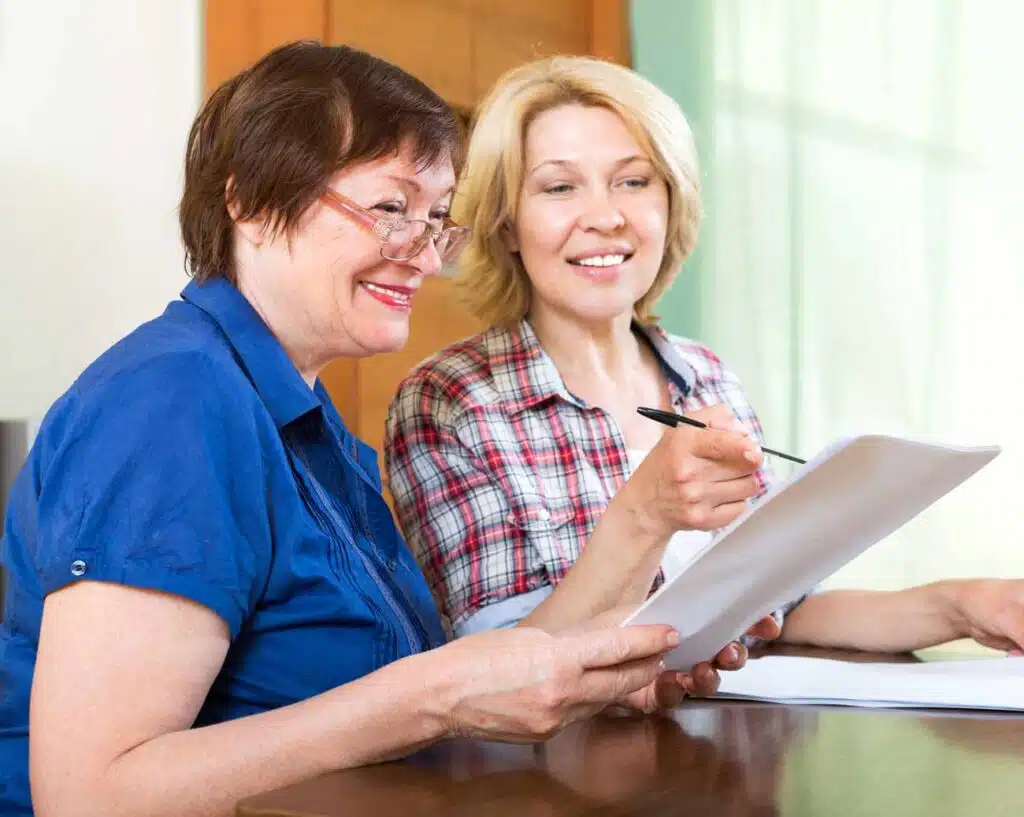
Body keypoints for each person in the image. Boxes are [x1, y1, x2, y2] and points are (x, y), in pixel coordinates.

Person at [0, 43, 767, 817]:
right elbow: (90, 796)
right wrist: (427, 697)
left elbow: (422, 700)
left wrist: (597, 670)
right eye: (390, 209)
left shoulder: (300, 419)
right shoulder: (169, 405)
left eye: (437, 220)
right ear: (250, 203)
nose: (423, 255)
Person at [384, 56, 1024, 656]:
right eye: (559, 188)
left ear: (670, 203)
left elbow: (782, 610)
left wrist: (963, 605)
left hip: (725, 761)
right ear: (505, 224)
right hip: (565, 773)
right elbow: (500, 665)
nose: (605, 216)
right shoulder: (449, 401)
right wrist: (648, 513)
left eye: (633, 181)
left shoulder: (707, 377)